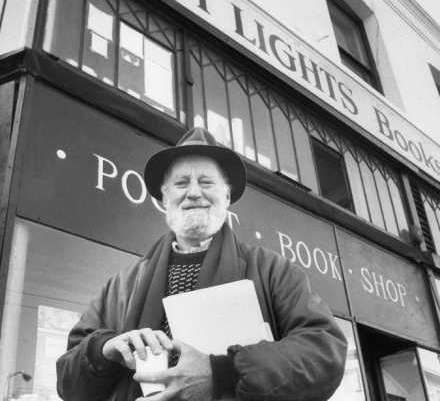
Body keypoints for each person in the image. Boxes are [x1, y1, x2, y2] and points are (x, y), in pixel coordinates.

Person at [56, 127, 347, 401]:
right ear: (165, 197)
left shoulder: (273, 270)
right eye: (181, 183)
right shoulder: (121, 285)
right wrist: (103, 350)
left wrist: (221, 372)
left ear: (227, 195)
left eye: (206, 182)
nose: (194, 192)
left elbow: (325, 352)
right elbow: (68, 382)